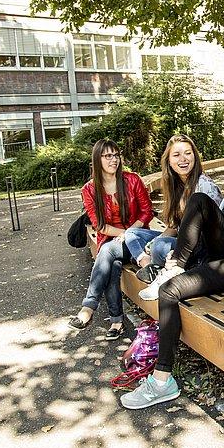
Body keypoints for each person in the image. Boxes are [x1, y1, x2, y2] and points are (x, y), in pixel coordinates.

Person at [120, 125, 224, 409]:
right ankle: (175, 266)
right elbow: (218, 225)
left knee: (168, 290)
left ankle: (162, 379)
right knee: (198, 201)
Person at [68, 139, 154, 339]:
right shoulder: (89, 190)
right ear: (97, 160)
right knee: (112, 264)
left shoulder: (132, 180)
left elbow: (146, 212)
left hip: (137, 241)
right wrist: (121, 235)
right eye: (108, 156)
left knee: (107, 252)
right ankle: (116, 322)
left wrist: (129, 233)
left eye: (116, 155)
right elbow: (99, 226)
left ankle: (88, 308)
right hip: (111, 241)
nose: (113, 160)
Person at [123, 134, 222, 286]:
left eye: (188, 153)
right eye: (176, 155)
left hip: (200, 249)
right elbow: (173, 227)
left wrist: (170, 249)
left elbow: (212, 234)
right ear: (169, 160)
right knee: (133, 234)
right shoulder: (176, 187)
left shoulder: (204, 186)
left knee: (159, 247)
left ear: (195, 156)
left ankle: (159, 267)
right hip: (180, 240)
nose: (183, 159)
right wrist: (153, 242)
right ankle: (150, 266)